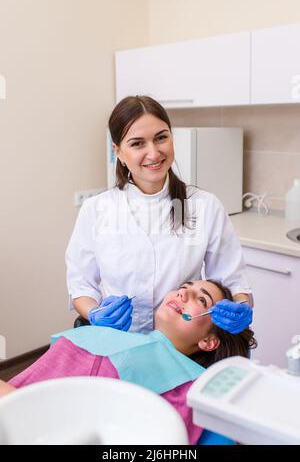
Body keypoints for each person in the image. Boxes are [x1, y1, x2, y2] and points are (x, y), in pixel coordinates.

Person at [66, 95, 253, 335]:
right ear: (118, 152)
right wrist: (94, 313)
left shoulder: (204, 206)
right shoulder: (96, 210)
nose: (153, 153)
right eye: (137, 143)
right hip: (117, 341)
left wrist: (241, 306)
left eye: (161, 138)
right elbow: (81, 285)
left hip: (181, 348)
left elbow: (233, 280)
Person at [0, 279, 256, 444]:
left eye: (201, 300)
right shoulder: (95, 335)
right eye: (183, 287)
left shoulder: (191, 387)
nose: (183, 293)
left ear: (209, 342)